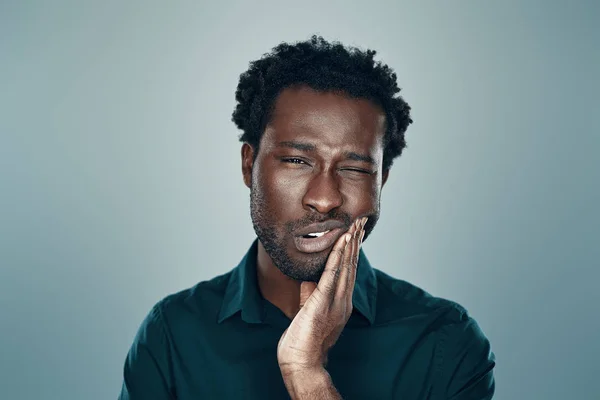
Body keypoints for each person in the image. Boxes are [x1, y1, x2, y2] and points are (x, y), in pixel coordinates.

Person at [119, 36, 496, 400]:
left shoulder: (445, 343)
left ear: (382, 181)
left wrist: (307, 374)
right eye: (297, 161)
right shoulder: (173, 333)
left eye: (354, 169)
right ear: (249, 164)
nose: (324, 199)